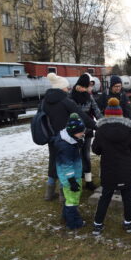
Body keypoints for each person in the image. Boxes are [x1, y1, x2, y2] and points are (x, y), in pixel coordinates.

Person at [91, 98, 131, 236]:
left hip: (109, 169)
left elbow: (96, 149)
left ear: (106, 115)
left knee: (105, 196)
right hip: (125, 169)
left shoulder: (101, 130)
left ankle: (98, 225)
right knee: (128, 196)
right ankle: (128, 223)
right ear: (120, 114)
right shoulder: (128, 130)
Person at [43, 73, 96, 201]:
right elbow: (82, 116)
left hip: (51, 137)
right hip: (65, 139)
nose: (68, 89)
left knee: (53, 162)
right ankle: (63, 195)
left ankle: (49, 194)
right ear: (61, 88)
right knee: (66, 164)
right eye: (66, 87)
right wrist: (96, 126)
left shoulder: (45, 101)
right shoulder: (66, 101)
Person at [70, 73, 103, 191]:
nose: (89, 87)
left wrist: (103, 122)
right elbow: (95, 111)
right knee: (80, 156)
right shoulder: (78, 96)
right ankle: (82, 181)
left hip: (81, 131)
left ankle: (84, 181)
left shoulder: (82, 96)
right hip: (80, 131)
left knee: (81, 156)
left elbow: (96, 110)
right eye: (88, 85)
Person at [54, 113, 86, 230]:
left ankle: (66, 217)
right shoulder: (66, 147)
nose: (83, 134)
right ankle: (74, 223)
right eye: (81, 132)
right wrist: (72, 181)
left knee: (69, 199)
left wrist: (78, 142)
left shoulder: (69, 139)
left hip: (69, 176)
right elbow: (67, 166)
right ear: (74, 132)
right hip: (69, 178)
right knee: (72, 200)